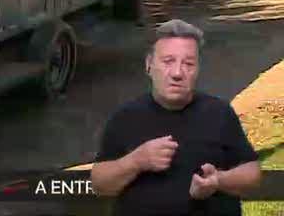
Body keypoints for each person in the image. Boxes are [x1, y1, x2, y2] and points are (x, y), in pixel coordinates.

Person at [90, 19, 262, 215]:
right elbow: (99, 184)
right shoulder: (125, 117)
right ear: (149, 65)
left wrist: (219, 181)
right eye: (168, 61)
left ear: (198, 69)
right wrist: (136, 161)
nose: (178, 73)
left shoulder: (220, 113)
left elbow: (252, 173)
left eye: (188, 64)